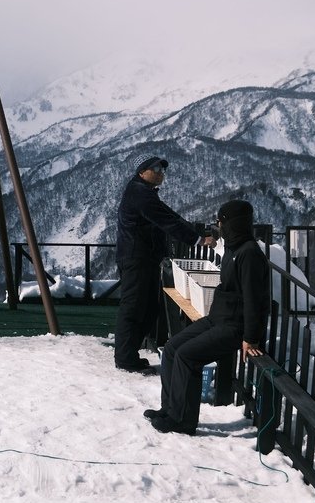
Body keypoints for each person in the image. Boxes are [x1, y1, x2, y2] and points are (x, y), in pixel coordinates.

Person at [146, 199, 270, 435]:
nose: (218, 226)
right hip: (218, 318)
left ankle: (183, 420)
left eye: (221, 221)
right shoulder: (234, 248)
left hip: (235, 326)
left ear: (231, 223)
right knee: (172, 347)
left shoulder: (249, 254)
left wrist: (251, 338)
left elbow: (255, 300)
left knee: (187, 355)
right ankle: (170, 408)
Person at [115, 156, 215, 373]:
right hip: (136, 258)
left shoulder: (144, 192)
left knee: (148, 308)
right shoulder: (140, 194)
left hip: (143, 258)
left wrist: (197, 232)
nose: (161, 173)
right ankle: (124, 359)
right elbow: (166, 221)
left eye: (162, 169)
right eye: (156, 169)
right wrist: (198, 240)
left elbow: (169, 214)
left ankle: (129, 355)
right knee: (134, 308)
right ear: (142, 172)